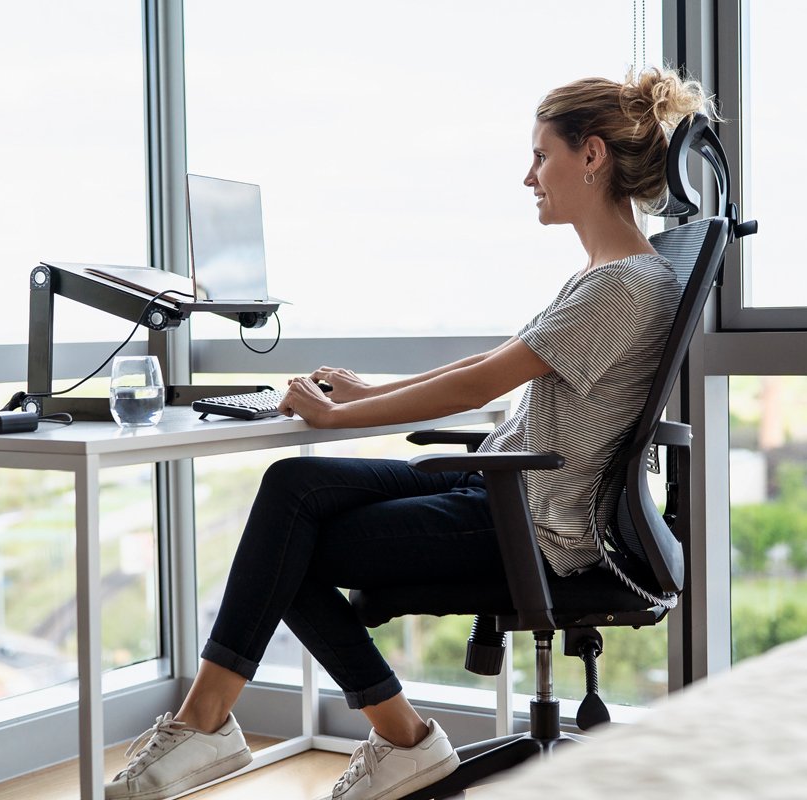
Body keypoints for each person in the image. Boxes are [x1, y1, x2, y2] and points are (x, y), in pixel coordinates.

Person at [105, 67, 714, 800]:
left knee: (284, 550)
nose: (529, 177)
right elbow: (493, 361)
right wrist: (370, 391)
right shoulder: (611, 274)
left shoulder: (621, 285)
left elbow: (479, 386)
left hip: (532, 523)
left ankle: (255, 726)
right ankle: (349, 737)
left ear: (591, 157)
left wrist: (336, 415)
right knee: (292, 488)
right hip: (499, 490)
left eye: (541, 156)